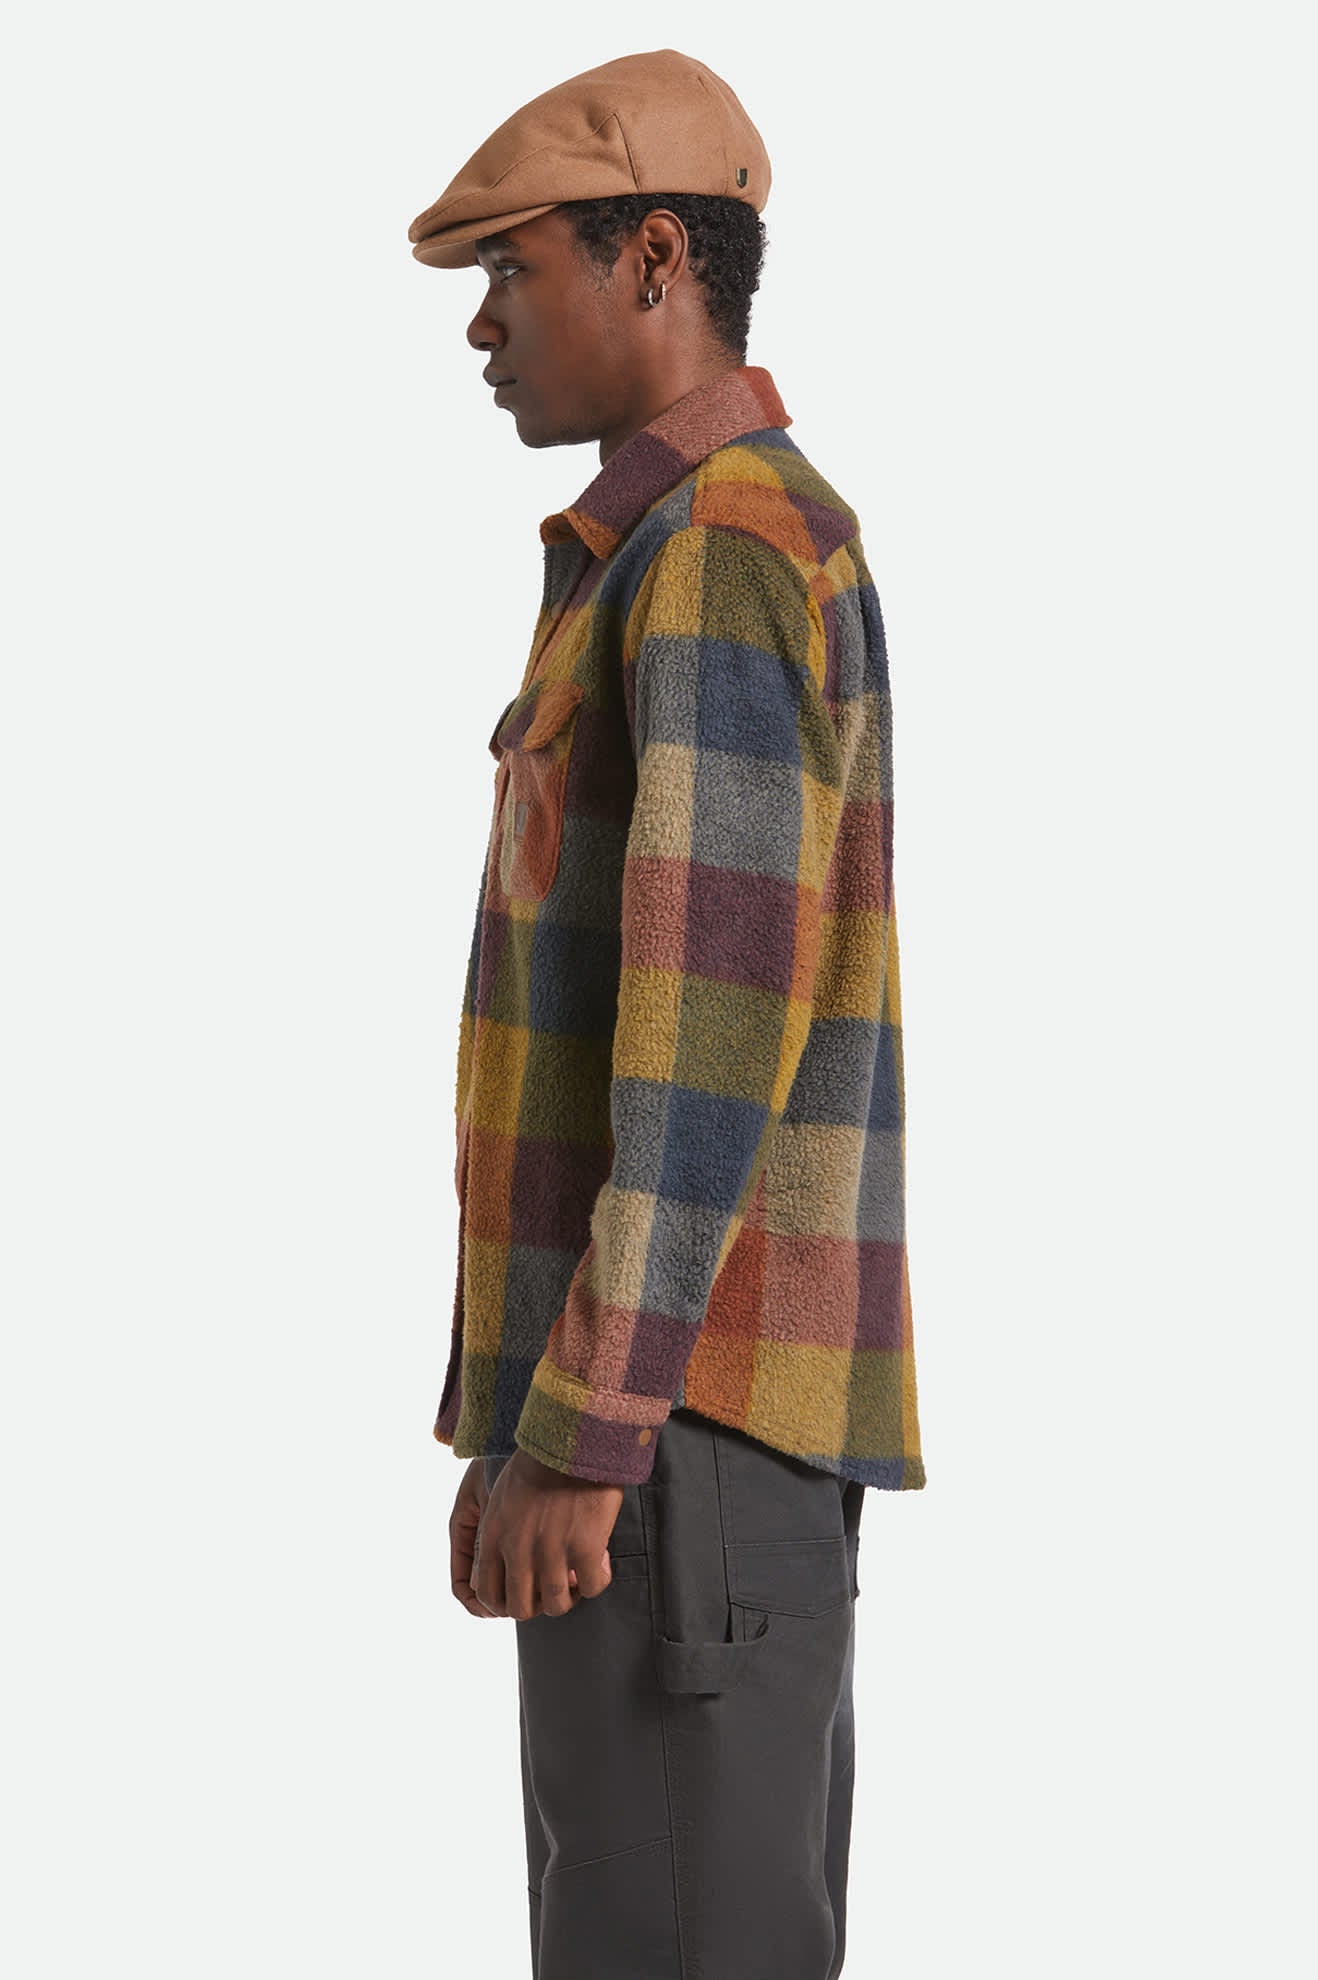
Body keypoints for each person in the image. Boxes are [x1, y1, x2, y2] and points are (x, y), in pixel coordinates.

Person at [407, 47, 926, 1980]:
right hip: (666, 1427)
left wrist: (584, 1430)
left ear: (651, 260)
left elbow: (709, 1059)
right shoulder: (672, 547)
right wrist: (530, 1423)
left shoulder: (715, 550)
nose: (482, 324)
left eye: (511, 268)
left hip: (678, 1431)